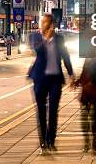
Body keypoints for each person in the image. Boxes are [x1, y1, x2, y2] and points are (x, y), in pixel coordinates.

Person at [28, 13, 74, 153]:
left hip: (55, 79)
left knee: (53, 111)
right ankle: (43, 143)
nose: (43, 25)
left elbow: (65, 55)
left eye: (46, 22)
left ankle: (51, 141)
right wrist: (46, 38)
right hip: (40, 79)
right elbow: (38, 50)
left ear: (52, 24)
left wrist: (71, 74)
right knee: (41, 111)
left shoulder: (59, 38)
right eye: (42, 22)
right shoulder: (35, 37)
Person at [77, 46, 96, 155]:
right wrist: (78, 81)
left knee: (93, 117)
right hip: (86, 90)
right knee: (85, 117)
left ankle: (93, 144)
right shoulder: (89, 56)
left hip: (95, 88)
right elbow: (84, 71)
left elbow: (95, 68)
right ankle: (87, 143)